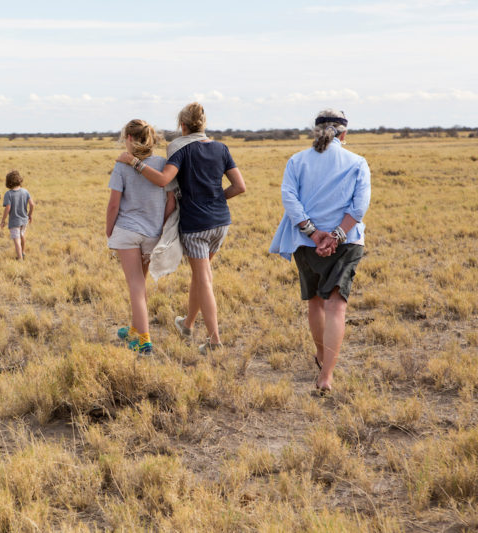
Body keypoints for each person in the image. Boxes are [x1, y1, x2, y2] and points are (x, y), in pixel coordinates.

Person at [116, 103, 246, 354]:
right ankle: (186, 324)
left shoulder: (179, 147)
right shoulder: (221, 148)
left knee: (204, 279)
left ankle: (214, 340)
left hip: (196, 224)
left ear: (182, 126)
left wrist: (134, 163)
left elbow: (164, 179)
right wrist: (216, 200)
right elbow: (240, 186)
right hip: (221, 223)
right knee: (201, 276)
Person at [269, 109, 371, 395]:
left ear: (315, 131)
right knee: (336, 306)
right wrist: (336, 236)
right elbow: (359, 207)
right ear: (344, 133)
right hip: (347, 241)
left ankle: (321, 355)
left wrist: (314, 233)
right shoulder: (358, 162)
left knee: (315, 302)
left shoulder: (296, 160)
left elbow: (289, 197)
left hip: (305, 241)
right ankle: (326, 375)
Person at [107, 119, 176, 354]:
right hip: (152, 233)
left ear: (128, 138)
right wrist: (161, 226)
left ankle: (144, 340)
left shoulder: (122, 165)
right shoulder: (163, 164)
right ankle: (136, 329)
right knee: (141, 285)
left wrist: (109, 231)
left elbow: (113, 204)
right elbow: (171, 201)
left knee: (135, 285)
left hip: (127, 232)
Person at [0, 170, 34, 260]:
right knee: (22, 236)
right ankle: (23, 253)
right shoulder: (25, 191)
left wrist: (3, 220)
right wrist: (30, 215)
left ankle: (20, 259)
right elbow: (32, 204)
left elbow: (8, 208)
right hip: (24, 220)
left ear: (8, 182)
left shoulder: (9, 194)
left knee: (17, 240)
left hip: (15, 221)